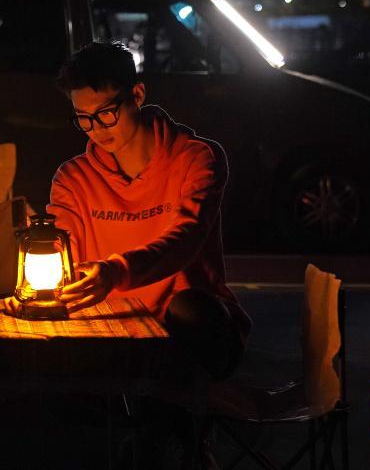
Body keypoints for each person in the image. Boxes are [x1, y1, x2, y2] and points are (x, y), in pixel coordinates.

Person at [45, 41, 250, 380]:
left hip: (189, 326)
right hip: (112, 323)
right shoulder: (73, 179)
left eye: (106, 113)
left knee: (193, 311)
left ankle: (187, 406)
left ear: (137, 95)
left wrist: (116, 271)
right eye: (83, 119)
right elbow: (61, 244)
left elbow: (185, 238)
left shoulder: (195, 159)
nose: (97, 129)